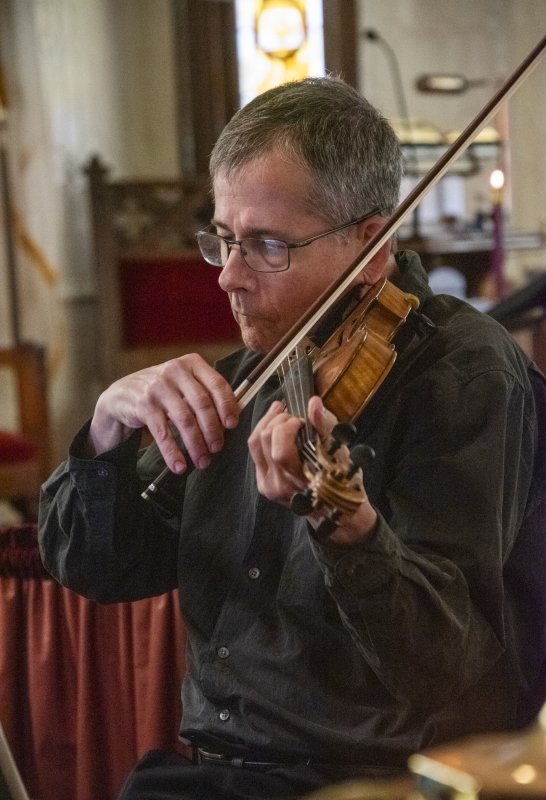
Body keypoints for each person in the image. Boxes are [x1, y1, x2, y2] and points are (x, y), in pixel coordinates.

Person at [38, 77, 546, 800]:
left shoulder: (463, 373)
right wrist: (106, 431)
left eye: (267, 246)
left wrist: (346, 528)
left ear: (372, 244)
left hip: (379, 782)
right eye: (224, 240)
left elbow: (446, 666)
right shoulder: (250, 375)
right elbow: (100, 569)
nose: (229, 278)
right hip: (212, 773)